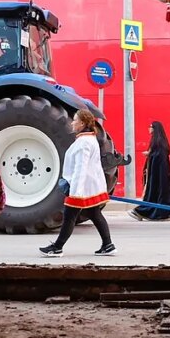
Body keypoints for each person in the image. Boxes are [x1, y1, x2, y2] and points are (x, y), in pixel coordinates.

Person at [40, 109, 116, 256]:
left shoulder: (83, 143)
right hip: (89, 187)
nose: (72, 122)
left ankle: (57, 247)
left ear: (82, 123)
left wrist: (76, 193)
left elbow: (80, 169)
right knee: (95, 214)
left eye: (75, 120)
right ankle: (108, 245)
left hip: (81, 189)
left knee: (69, 217)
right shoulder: (89, 139)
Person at [129, 121, 170, 221]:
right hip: (159, 175)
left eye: (150, 127)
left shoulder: (159, 144)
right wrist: (150, 154)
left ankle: (145, 211)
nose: (149, 128)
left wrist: (150, 154)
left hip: (159, 176)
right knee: (158, 193)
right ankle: (168, 212)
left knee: (156, 192)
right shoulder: (158, 143)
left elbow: (159, 158)